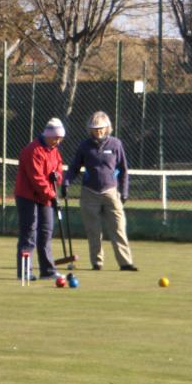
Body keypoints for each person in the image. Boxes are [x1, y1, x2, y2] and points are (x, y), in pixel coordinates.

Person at [63, 111, 137, 272]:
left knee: (118, 228)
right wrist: (66, 181)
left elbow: (123, 170)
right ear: (90, 129)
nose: (98, 131)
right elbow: (74, 167)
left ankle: (126, 263)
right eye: (95, 128)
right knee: (93, 231)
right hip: (89, 192)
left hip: (111, 192)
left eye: (101, 128)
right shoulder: (84, 146)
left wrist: (124, 191)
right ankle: (97, 263)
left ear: (107, 127)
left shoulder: (116, 144)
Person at [15, 118, 65, 281]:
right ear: (47, 135)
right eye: (55, 137)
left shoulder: (54, 150)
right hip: (27, 196)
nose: (58, 141)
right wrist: (52, 195)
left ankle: (48, 270)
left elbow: (58, 170)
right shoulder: (33, 150)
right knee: (29, 233)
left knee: (46, 232)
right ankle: (25, 271)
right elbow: (36, 179)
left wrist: (56, 177)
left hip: (45, 197)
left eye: (60, 138)